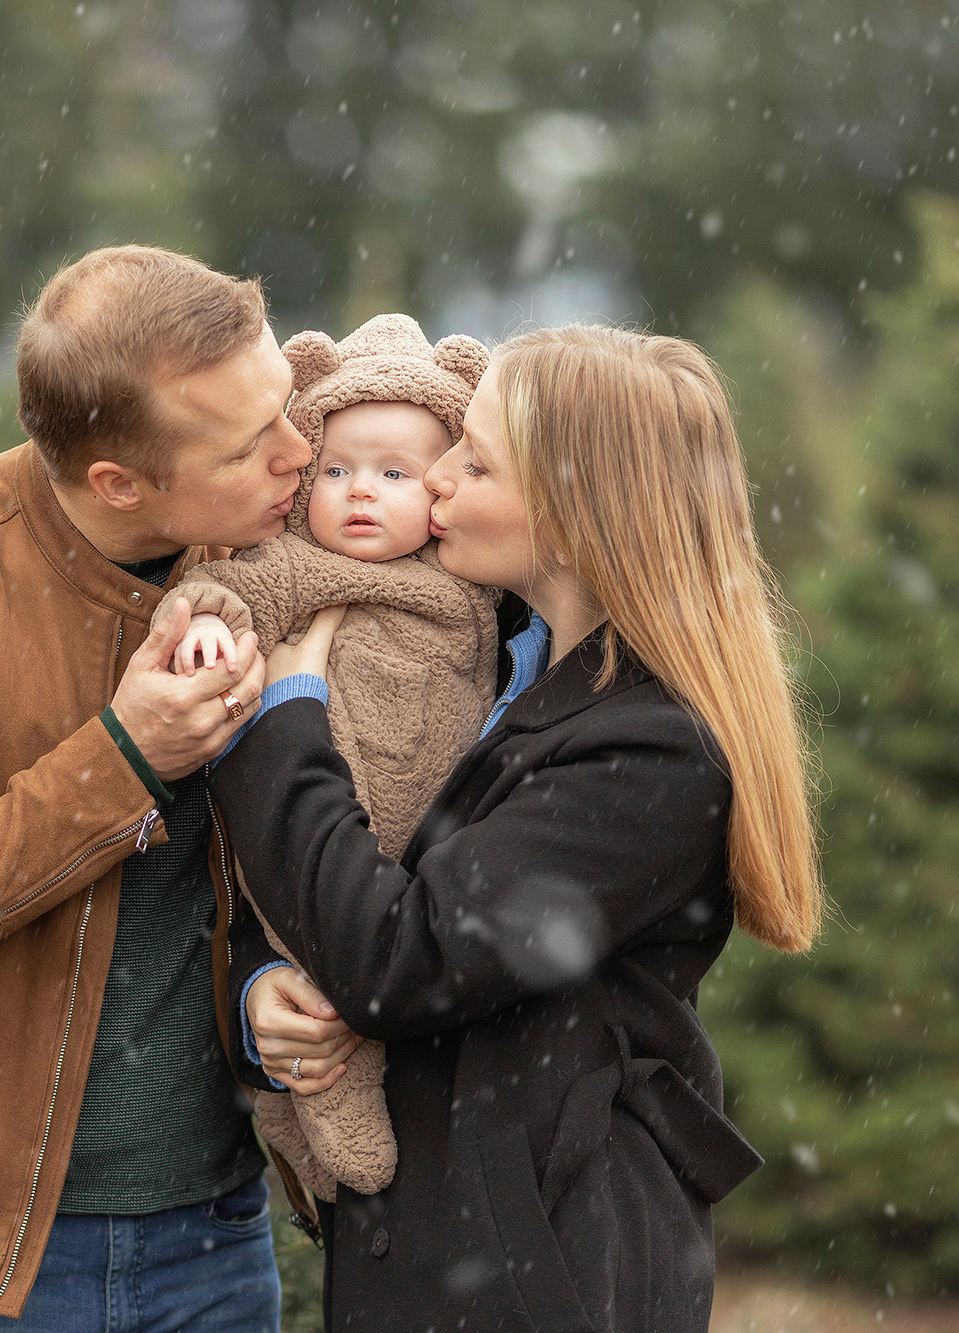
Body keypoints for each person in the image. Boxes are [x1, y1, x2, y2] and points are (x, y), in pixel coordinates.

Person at [0, 244, 348, 1331]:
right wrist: (123, 758)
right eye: (247, 444)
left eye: (285, 402)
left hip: (212, 1233)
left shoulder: (293, 554)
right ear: (117, 483)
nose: (297, 452)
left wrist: (264, 992)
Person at [218, 324, 823, 1331]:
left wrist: (281, 719)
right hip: (433, 1252)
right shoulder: (477, 658)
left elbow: (396, 955)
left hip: (538, 1271)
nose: (436, 476)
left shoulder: (651, 753)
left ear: (576, 508)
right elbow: (334, 873)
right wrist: (258, 989)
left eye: (475, 458)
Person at [160, 313, 500, 1202]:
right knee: (311, 978)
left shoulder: (474, 580)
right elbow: (227, 588)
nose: (360, 493)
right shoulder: (301, 569)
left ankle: (330, 1153)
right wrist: (202, 625)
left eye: (395, 475)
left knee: (378, 971)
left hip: (425, 855)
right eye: (337, 471)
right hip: (315, 820)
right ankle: (321, 1135)